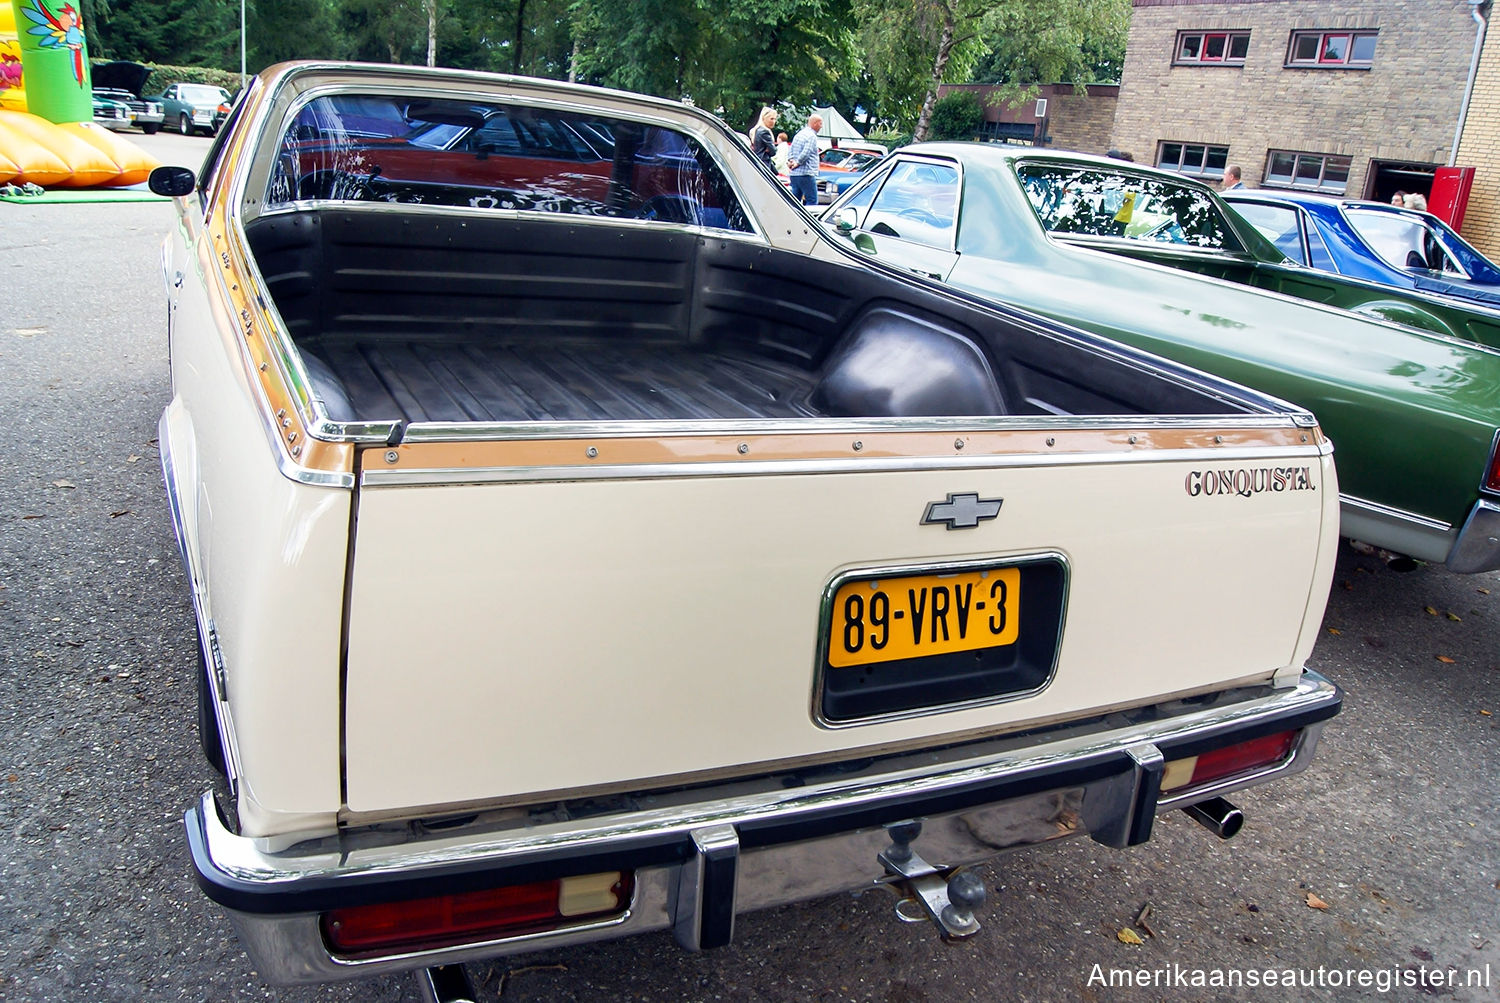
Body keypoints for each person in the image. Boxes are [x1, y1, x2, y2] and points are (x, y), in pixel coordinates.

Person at [786, 114, 822, 206]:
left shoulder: (799, 134)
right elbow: (807, 152)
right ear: (814, 124)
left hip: (794, 174)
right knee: (812, 200)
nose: (821, 126)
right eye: (820, 124)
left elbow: (791, 149)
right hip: (806, 173)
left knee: (795, 201)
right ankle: (807, 220)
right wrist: (798, 163)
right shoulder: (811, 136)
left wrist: (791, 161)